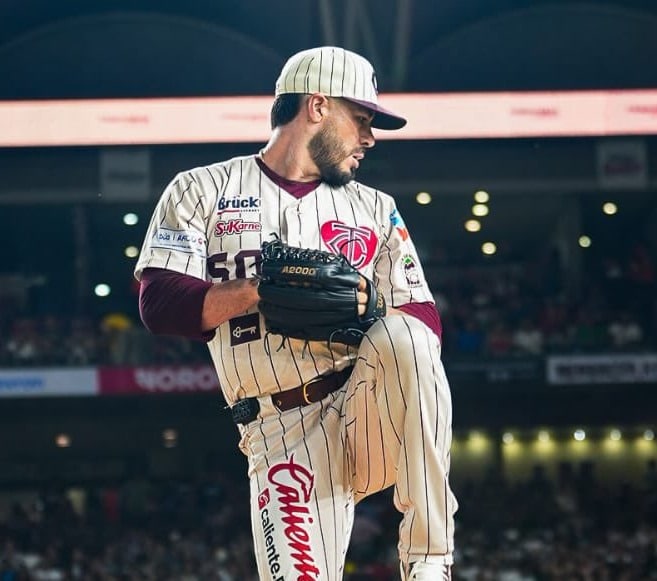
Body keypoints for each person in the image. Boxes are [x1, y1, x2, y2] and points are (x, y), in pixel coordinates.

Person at [135, 46, 457, 581]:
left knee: (409, 338)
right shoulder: (201, 189)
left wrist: (368, 307)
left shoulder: (375, 208)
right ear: (317, 106)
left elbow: (424, 317)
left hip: (364, 405)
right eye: (362, 120)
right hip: (278, 427)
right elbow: (159, 303)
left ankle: (428, 559)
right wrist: (260, 291)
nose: (370, 138)